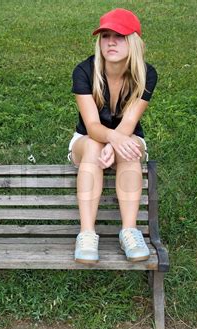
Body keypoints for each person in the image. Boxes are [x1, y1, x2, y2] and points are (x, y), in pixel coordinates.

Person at [67, 8, 158, 264]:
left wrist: (117, 143)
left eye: (119, 36)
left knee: (129, 148)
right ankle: (86, 234)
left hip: (126, 137)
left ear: (134, 41)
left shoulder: (146, 74)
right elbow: (92, 125)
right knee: (97, 146)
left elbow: (130, 121)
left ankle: (129, 231)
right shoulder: (84, 71)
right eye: (106, 36)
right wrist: (112, 140)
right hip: (86, 142)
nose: (111, 42)